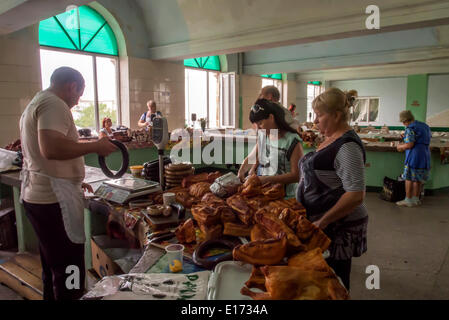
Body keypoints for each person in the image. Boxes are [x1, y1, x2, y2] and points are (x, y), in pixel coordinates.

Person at [19, 66, 117, 300]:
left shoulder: (37, 102)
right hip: (55, 200)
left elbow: (42, 154)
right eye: (79, 94)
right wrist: (96, 146)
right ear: (72, 86)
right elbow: (51, 148)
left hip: (41, 194)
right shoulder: (54, 104)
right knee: (71, 267)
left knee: (52, 267)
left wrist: (72, 178)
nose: (77, 100)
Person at [296, 87, 368, 290]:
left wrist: (323, 221)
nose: (315, 121)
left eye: (319, 115)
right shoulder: (332, 139)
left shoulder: (347, 147)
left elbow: (355, 195)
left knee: (334, 280)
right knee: (321, 277)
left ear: (336, 115)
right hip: (323, 221)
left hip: (337, 226)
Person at [237, 98, 303, 198]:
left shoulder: (292, 140)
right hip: (265, 193)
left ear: (271, 117)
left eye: (260, 123)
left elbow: (297, 175)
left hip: (286, 196)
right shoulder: (264, 135)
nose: (258, 128)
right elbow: (252, 158)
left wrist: (267, 179)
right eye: (256, 125)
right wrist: (241, 171)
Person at [396, 110, 431, 207]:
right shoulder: (424, 126)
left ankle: (408, 200)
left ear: (405, 121)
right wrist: (406, 137)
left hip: (414, 155)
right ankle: (416, 199)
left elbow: (409, 145)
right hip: (425, 154)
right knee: (418, 178)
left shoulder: (409, 128)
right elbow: (422, 138)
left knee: (409, 177)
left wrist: (400, 146)